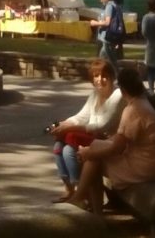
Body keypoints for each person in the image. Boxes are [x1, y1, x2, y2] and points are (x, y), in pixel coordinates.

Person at [67, 66, 155, 214]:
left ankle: (88, 206)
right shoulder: (146, 102)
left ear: (122, 90)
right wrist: (93, 147)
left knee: (94, 160)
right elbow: (120, 138)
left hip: (145, 168)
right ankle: (84, 200)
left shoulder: (133, 110)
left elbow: (117, 148)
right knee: (95, 147)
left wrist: (89, 154)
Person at [48, 59, 124, 203]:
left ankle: (82, 193)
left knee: (69, 151)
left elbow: (102, 125)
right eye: (96, 76)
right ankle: (70, 189)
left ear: (112, 77)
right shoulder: (95, 94)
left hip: (110, 143)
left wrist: (70, 127)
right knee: (58, 147)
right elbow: (82, 116)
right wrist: (63, 124)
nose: (99, 80)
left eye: (104, 76)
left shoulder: (117, 95)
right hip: (96, 139)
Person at [89, 0, 120, 67]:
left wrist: (95, 23)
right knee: (107, 60)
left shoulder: (109, 6)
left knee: (107, 61)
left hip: (107, 37)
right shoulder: (115, 5)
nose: (101, 1)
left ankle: (115, 76)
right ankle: (112, 75)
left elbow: (107, 22)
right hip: (109, 37)